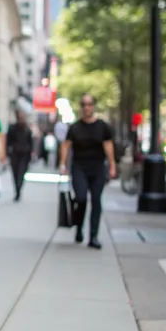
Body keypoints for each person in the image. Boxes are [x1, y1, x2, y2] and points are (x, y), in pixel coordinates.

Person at [58, 94, 115, 249]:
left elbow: (108, 145)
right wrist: (62, 164)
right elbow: (65, 145)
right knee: (81, 198)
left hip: (97, 168)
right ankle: (79, 227)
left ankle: (94, 236)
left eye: (89, 104)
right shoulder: (75, 127)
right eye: (83, 104)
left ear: (93, 106)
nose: (86, 107)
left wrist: (112, 165)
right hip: (79, 167)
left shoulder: (102, 127)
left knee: (96, 200)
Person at [6, 110, 34, 201]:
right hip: (14, 153)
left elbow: (31, 143)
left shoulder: (27, 130)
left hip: (24, 154)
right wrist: (8, 152)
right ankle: (17, 189)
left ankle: (19, 188)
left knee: (21, 172)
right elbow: (8, 141)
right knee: (15, 172)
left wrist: (31, 154)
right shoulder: (12, 128)